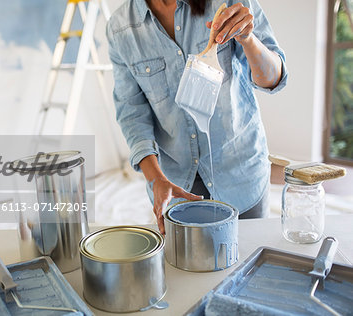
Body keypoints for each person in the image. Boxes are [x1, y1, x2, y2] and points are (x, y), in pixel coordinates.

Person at [106, 0, 288, 234]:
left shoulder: (228, 2)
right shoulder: (120, 28)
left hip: (241, 177)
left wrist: (247, 40)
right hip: (177, 188)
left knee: (248, 263)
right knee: (188, 268)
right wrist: (155, 178)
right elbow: (132, 113)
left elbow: (273, 79)